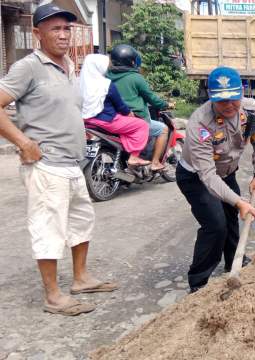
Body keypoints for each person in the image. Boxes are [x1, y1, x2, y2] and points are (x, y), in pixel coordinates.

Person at [0, 3, 117, 316]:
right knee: (48, 227)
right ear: (38, 34)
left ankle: (80, 279)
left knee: (81, 221)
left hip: (72, 163)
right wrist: (23, 142)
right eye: (55, 29)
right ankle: (53, 295)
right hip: (46, 165)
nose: (64, 35)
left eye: (67, 28)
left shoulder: (67, 63)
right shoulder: (29, 67)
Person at [177, 66, 255, 293]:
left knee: (230, 218)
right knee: (215, 225)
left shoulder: (253, 112)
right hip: (195, 177)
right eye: (222, 101)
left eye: (234, 99)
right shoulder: (200, 124)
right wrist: (239, 201)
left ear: (242, 92)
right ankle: (198, 282)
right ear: (211, 97)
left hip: (227, 172)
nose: (229, 105)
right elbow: (207, 175)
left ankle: (233, 262)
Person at [107, 44, 170, 171]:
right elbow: (151, 98)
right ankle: (155, 162)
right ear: (131, 61)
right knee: (163, 129)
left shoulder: (106, 76)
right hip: (134, 118)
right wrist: (165, 104)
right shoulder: (136, 78)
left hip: (112, 118)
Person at [80, 54, 150, 166]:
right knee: (142, 125)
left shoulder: (80, 83)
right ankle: (134, 157)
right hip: (106, 120)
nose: (108, 68)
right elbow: (121, 106)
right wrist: (129, 113)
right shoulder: (106, 84)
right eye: (106, 65)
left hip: (86, 121)